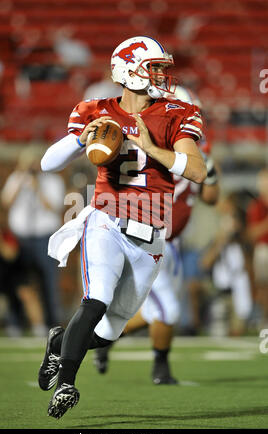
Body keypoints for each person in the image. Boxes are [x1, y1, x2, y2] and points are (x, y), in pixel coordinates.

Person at [38, 35, 207, 419]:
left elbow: (196, 170)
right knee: (96, 299)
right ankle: (67, 383)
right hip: (106, 220)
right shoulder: (96, 110)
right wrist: (81, 138)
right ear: (128, 70)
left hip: (151, 234)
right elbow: (49, 163)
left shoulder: (178, 112)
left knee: (110, 330)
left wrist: (152, 148)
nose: (162, 74)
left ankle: (59, 342)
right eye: (155, 66)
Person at [93, 86, 220, 384]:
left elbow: (212, 195)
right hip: (145, 234)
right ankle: (154, 365)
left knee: (153, 309)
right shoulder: (147, 142)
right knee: (167, 308)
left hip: (171, 241)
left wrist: (209, 170)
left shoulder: (195, 148)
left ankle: (106, 338)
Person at [0, 149, 66, 329]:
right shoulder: (16, 178)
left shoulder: (53, 180)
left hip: (45, 238)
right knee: (18, 282)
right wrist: (21, 180)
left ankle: (52, 323)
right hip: (20, 238)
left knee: (48, 282)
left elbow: (54, 207)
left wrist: (37, 188)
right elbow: (6, 202)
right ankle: (16, 323)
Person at [201, 194, 253, 335]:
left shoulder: (243, 240)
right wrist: (222, 239)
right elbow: (206, 262)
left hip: (239, 289)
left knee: (239, 328)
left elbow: (248, 266)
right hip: (221, 291)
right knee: (219, 331)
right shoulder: (217, 238)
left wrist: (239, 237)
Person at [246, 168, 268, 327]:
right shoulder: (257, 206)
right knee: (263, 287)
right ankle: (264, 319)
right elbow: (251, 233)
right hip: (263, 249)